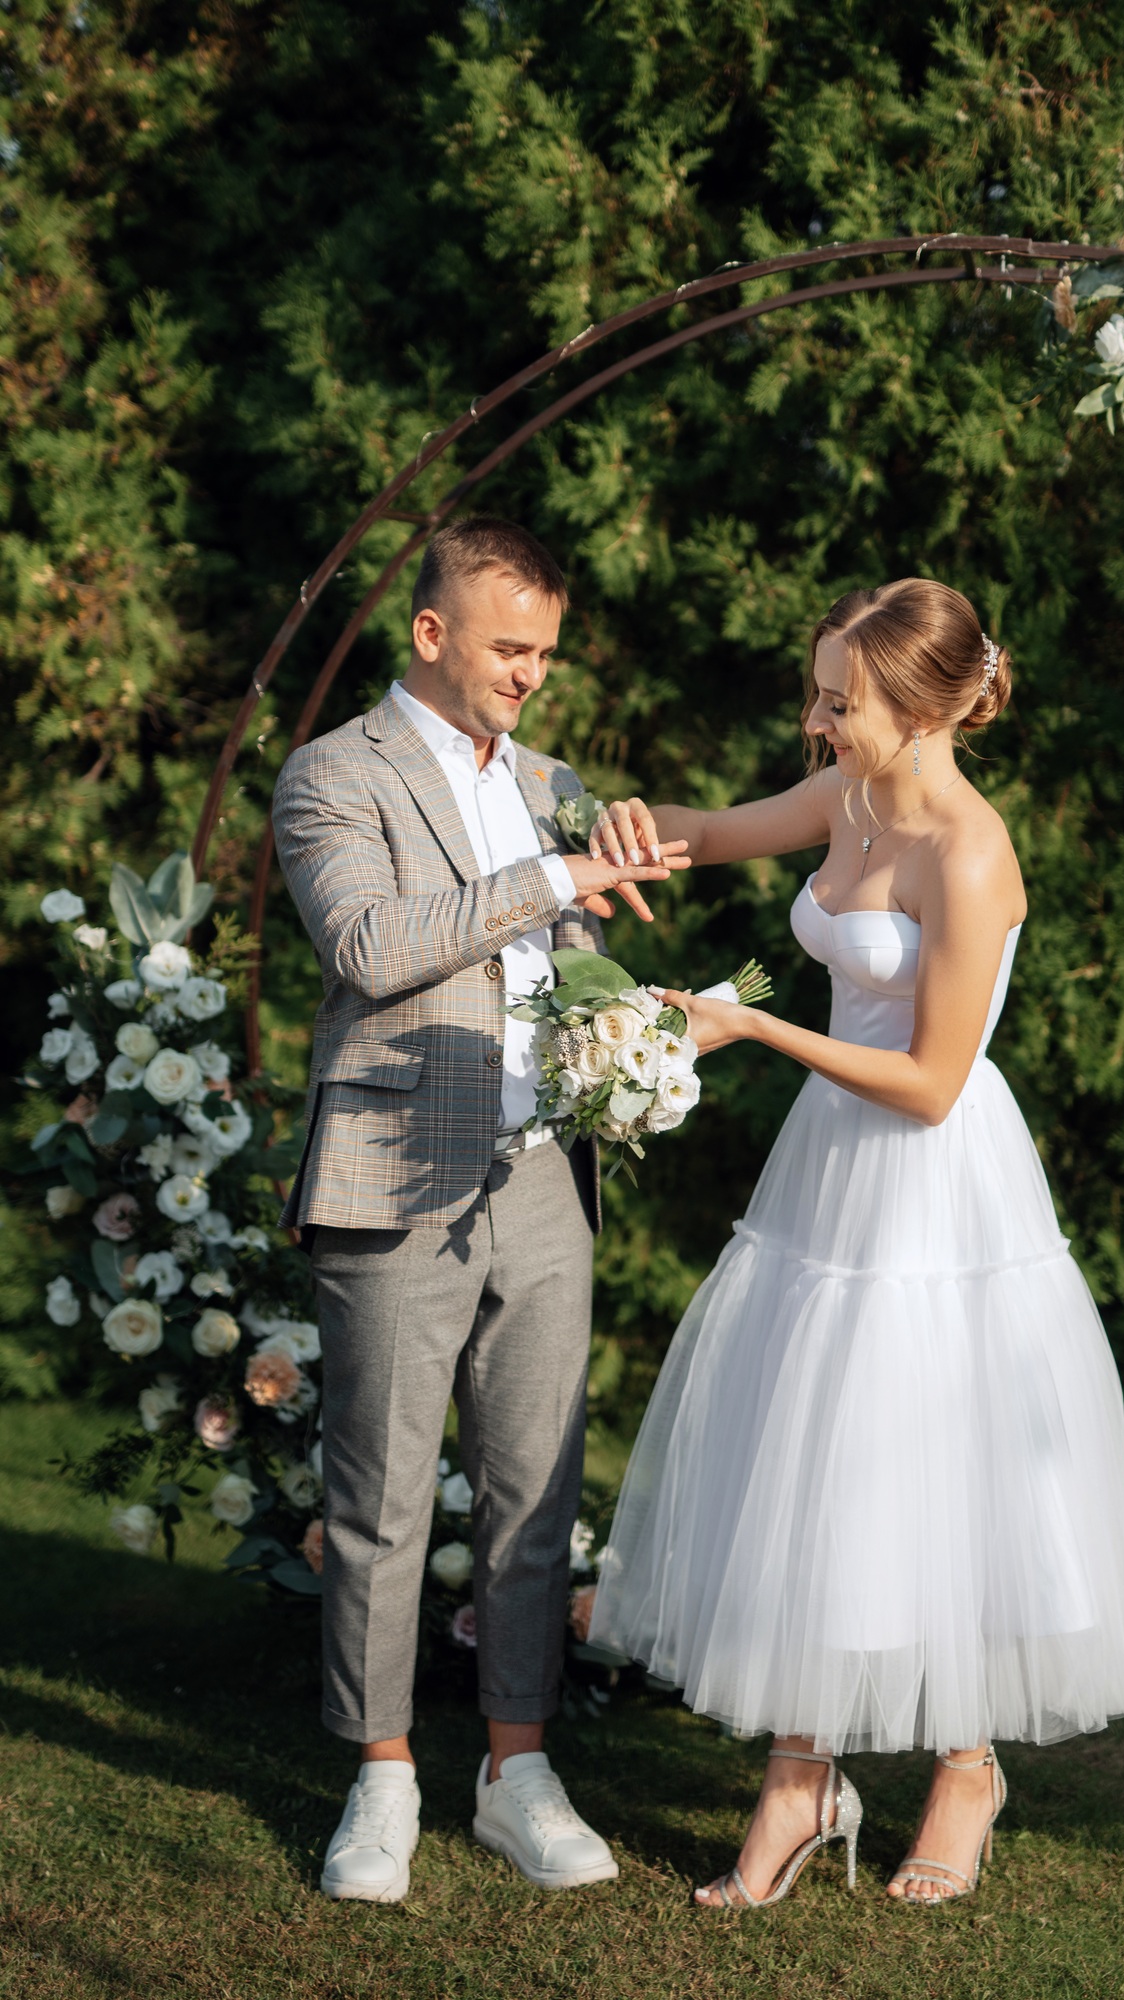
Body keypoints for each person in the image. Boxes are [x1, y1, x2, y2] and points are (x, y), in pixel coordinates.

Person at [587, 579, 1124, 1909]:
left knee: (925, 1456)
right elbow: (710, 830)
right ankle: (801, 1775)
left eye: (838, 702)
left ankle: (966, 1767)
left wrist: (748, 1027)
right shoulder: (848, 800)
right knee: (810, 1452)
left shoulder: (969, 850)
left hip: (927, 1172)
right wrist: (629, 830)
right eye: (817, 694)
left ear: (919, 709)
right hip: (830, 1173)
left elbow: (932, 1083)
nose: (815, 720)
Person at [272, 516, 689, 1902]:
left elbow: (575, 961)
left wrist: (631, 1031)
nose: (533, 676)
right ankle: (380, 1776)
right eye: (512, 649)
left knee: (535, 1492)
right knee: (382, 1495)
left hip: (542, 1183)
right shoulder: (332, 773)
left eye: (549, 654)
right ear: (432, 633)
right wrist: (556, 878)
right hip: (392, 1175)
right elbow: (373, 948)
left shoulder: (559, 782)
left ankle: (519, 1772)